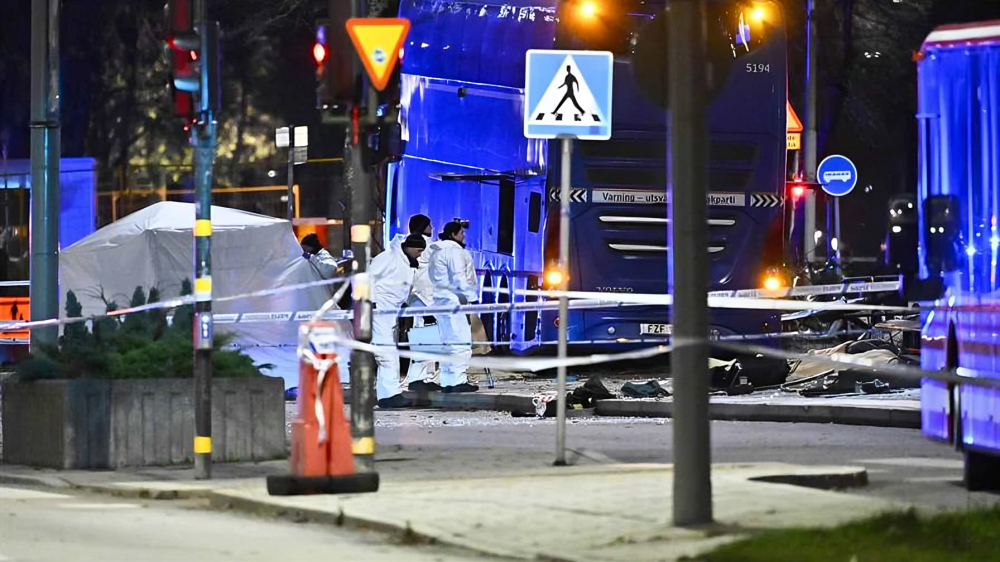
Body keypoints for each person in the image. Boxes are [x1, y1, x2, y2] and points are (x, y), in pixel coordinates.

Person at [371, 233, 427, 408]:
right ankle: (390, 395)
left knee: (388, 353)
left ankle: (389, 394)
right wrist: (370, 303)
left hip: (389, 312)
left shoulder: (406, 262)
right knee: (386, 353)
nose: (420, 255)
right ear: (410, 247)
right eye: (418, 251)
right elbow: (368, 279)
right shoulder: (387, 258)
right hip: (379, 310)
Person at [426, 221, 480, 393]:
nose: (464, 235)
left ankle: (448, 380)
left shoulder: (436, 251)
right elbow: (459, 278)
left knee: (448, 343)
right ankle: (457, 380)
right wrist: (472, 299)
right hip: (455, 302)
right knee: (460, 341)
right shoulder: (454, 251)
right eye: (461, 232)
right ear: (453, 234)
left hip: (440, 301)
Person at [401, 214, 442, 392]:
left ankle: (422, 377)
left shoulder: (406, 244)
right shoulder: (429, 247)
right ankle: (420, 378)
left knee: (422, 338)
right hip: (427, 299)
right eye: (429, 225)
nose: (432, 228)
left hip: (416, 298)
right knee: (427, 339)